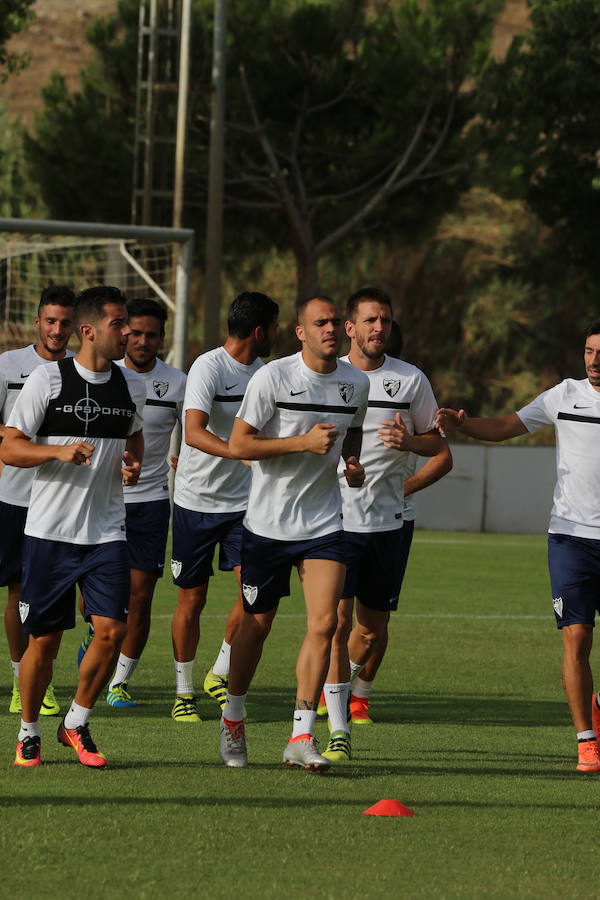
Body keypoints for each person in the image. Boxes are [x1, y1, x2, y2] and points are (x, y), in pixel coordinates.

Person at [435, 319, 600, 774]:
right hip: (570, 537)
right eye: (589, 351)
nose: (594, 360)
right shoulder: (564, 394)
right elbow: (508, 425)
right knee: (577, 637)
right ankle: (586, 741)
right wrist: (465, 424)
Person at [219, 295, 369, 771]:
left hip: (324, 523)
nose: (330, 329)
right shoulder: (273, 377)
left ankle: (301, 736)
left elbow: (352, 434)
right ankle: (233, 716)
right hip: (266, 526)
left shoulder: (356, 383)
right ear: (301, 332)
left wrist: (351, 465)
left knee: (327, 624)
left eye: (334, 322)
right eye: (319, 323)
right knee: (255, 627)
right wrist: (302, 443)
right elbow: (239, 444)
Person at [1, 285, 145, 767]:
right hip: (50, 533)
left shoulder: (131, 386)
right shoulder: (48, 380)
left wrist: (131, 464)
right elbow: (10, 447)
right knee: (44, 642)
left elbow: (135, 436)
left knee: (112, 631)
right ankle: (29, 732)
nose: (127, 332)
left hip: (106, 532)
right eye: (118, 324)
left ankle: (76, 722)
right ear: (90, 331)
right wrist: (57, 452)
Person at [320, 288, 446, 762]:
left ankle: (342, 688)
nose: (379, 328)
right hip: (333, 518)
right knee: (335, 623)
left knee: (371, 631)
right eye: (370, 320)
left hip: (388, 522)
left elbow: (437, 447)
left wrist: (410, 442)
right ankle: (335, 716)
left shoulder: (410, 379)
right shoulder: (329, 375)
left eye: (385, 321)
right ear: (349, 327)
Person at [170, 291, 279, 722]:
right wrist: (240, 452)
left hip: (244, 505)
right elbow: (193, 432)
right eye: (274, 327)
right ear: (260, 331)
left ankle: (219, 671)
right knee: (192, 598)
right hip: (195, 500)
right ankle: (183, 691)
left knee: (252, 595)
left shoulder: (266, 374)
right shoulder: (208, 366)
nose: (276, 333)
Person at [76, 298, 187, 708]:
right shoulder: (104, 376)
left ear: (161, 338)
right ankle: (95, 627)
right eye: (135, 332)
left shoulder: (177, 382)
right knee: (92, 599)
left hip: (150, 501)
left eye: (151, 335)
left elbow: (195, 430)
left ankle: (119, 681)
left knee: (139, 597)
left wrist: (186, 459)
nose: (142, 341)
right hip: (100, 499)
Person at [0, 284, 76, 718]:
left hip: (63, 502)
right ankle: (20, 681)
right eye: (50, 321)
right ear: (37, 322)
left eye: (65, 323)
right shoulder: (9, 365)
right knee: (17, 590)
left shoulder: (83, 369)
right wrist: (23, 442)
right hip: (15, 496)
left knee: (52, 593)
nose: (57, 330)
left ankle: (40, 679)